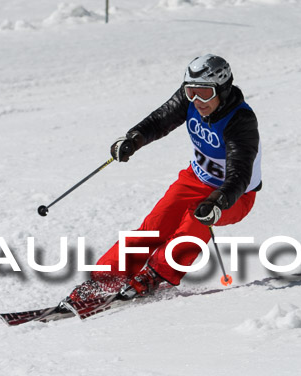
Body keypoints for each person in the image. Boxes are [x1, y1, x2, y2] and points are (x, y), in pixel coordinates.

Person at [65, 54, 262, 307]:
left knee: (196, 220)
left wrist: (218, 201)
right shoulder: (189, 100)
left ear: (223, 90)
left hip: (234, 194)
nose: (197, 100)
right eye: (191, 91)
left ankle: (155, 274)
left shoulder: (241, 120)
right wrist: (134, 139)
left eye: (204, 93)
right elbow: (161, 119)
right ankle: (105, 279)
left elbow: (240, 174)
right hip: (195, 179)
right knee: (156, 225)